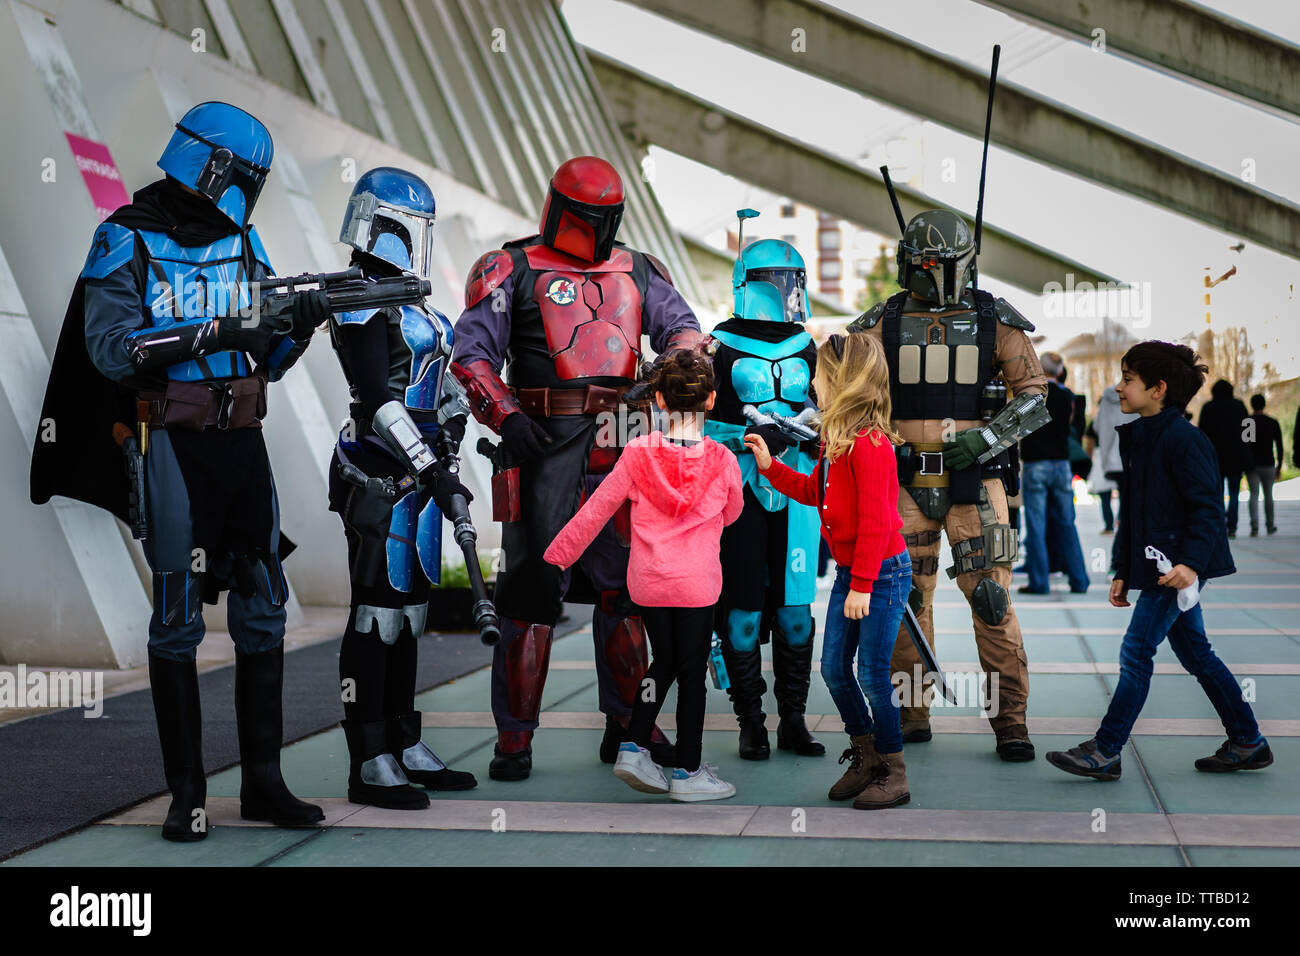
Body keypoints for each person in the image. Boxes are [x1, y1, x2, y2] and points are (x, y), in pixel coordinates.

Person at [30, 102, 325, 841]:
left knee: (262, 606)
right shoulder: (124, 237)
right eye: (246, 176)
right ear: (215, 167)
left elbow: (266, 360)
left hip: (242, 447)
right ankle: (185, 794)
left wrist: (299, 327)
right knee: (176, 619)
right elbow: (109, 349)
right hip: (171, 444)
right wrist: (221, 328)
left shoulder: (244, 241)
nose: (248, 192)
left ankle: (263, 784)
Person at [451, 156, 703, 781]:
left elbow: (686, 333)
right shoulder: (510, 268)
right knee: (531, 591)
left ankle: (628, 727)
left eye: (606, 217)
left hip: (623, 434)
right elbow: (471, 353)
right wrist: (506, 416)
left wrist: (666, 376)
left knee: (627, 590)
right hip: (543, 439)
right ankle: (515, 738)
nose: (599, 229)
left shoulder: (641, 270)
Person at [847, 209, 1050, 760]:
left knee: (990, 599)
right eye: (924, 265)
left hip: (975, 480)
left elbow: (1034, 397)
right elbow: (852, 404)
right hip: (902, 480)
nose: (933, 275)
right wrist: (888, 445)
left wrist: (986, 440)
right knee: (906, 602)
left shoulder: (994, 319)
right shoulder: (879, 324)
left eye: (941, 264)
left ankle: (1010, 722)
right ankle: (912, 714)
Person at [1047, 342, 1272, 780]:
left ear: (1158, 389)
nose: (1118, 387)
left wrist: (1191, 565)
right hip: (1157, 567)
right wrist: (1123, 570)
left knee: (1136, 652)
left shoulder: (1184, 440)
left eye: (1127, 379)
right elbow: (1134, 512)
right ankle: (1248, 741)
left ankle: (1106, 750)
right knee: (1196, 654)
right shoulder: (1144, 436)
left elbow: (1207, 508)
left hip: (1176, 570)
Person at [326, 167, 478, 809]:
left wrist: (449, 441)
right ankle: (369, 756)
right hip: (377, 472)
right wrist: (433, 465)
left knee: (410, 613)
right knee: (375, 613)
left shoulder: (413, 301)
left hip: (418, 479)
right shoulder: (358, 297)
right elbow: (379, 400)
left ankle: (402, 738)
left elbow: (438, 391)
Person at [545, 350, 743, 801]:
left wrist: (556, 557)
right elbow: (733, 515)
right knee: (691, 674)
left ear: (658, 400)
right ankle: (689, 772)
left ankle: (635, 745)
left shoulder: (636, 454)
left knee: (664, 663)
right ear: (711, 401)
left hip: (650, 581)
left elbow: (595, 511)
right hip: (696, 584)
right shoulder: (722, 461)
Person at [747, 333, 914, 809]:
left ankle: (893, 770)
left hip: (880, 572)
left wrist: (862, 585)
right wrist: (770, 468)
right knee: (834, 670)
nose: (812, 381)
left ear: (841, 381)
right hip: (855, 573)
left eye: (819, 373)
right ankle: (866, 755)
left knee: (873, 674)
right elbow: (820, 496)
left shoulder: (869, 443)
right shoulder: (836, 442)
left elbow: (878, 520)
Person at [699, 225, 824, 761]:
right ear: (748, 282)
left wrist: (810, 426)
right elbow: (698, 423)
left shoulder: (806, 344)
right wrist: (747, 438)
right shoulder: (719, 345)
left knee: (796, 609)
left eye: (789, 281)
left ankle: (792, 717)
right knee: (743, 609)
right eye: (774, 280)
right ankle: (751, 719)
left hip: (796, 488)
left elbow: (818, 406)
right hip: (740, 488)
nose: (783, 290)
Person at [1019, 351, 1089, 595]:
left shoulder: (1031, 396)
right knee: (1067, 522)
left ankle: (1040, 581)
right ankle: (1079, 579)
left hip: (1035, 463)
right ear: (1060, 371)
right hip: (1061, 463)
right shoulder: (1068, 396)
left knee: (1036, 525)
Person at [1197, 379, 1250, 538]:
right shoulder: (1239, 406)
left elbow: (1201, 434)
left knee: (1217, 493)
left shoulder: (1208, 408)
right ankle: (1232, 526)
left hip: (1215, 458)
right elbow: (1249, 429)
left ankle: (1219, 524)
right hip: (1236, 457)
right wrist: (1248, 450)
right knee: (1234, 493)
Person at [1085, 387, 1136, 535]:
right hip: (1124, 458)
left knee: (1105, 495)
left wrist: (1089, 459)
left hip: (1104, 459)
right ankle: (1122, 520)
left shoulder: (1100, 418)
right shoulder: (1128, 411)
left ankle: (1109, 525)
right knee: (1124, 493)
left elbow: (1091, 439)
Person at [1244, 394, 1282, 536]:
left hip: (1252, 465)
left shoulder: (1248, 422)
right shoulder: (1272, 422)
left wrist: (1245, 463)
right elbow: (1279, 445)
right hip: (1268, 464)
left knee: (1253, 494)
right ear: (1264, 405)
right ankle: (1270, 526)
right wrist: (1279, 465)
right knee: (1268, 495)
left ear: (1252, 405)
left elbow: (1245, 445)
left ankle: (1254, 527)